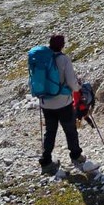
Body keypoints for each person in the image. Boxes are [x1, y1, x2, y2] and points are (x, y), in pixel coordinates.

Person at [37, 35, 86, 175]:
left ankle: (46, 161)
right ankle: (76, 155)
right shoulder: (64, 59)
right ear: (62, 45)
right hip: (63, 102)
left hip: (45, 102)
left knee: (50, 131)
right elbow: (71, 82)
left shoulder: (41, 59)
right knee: (70, 130)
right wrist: (77, 89)